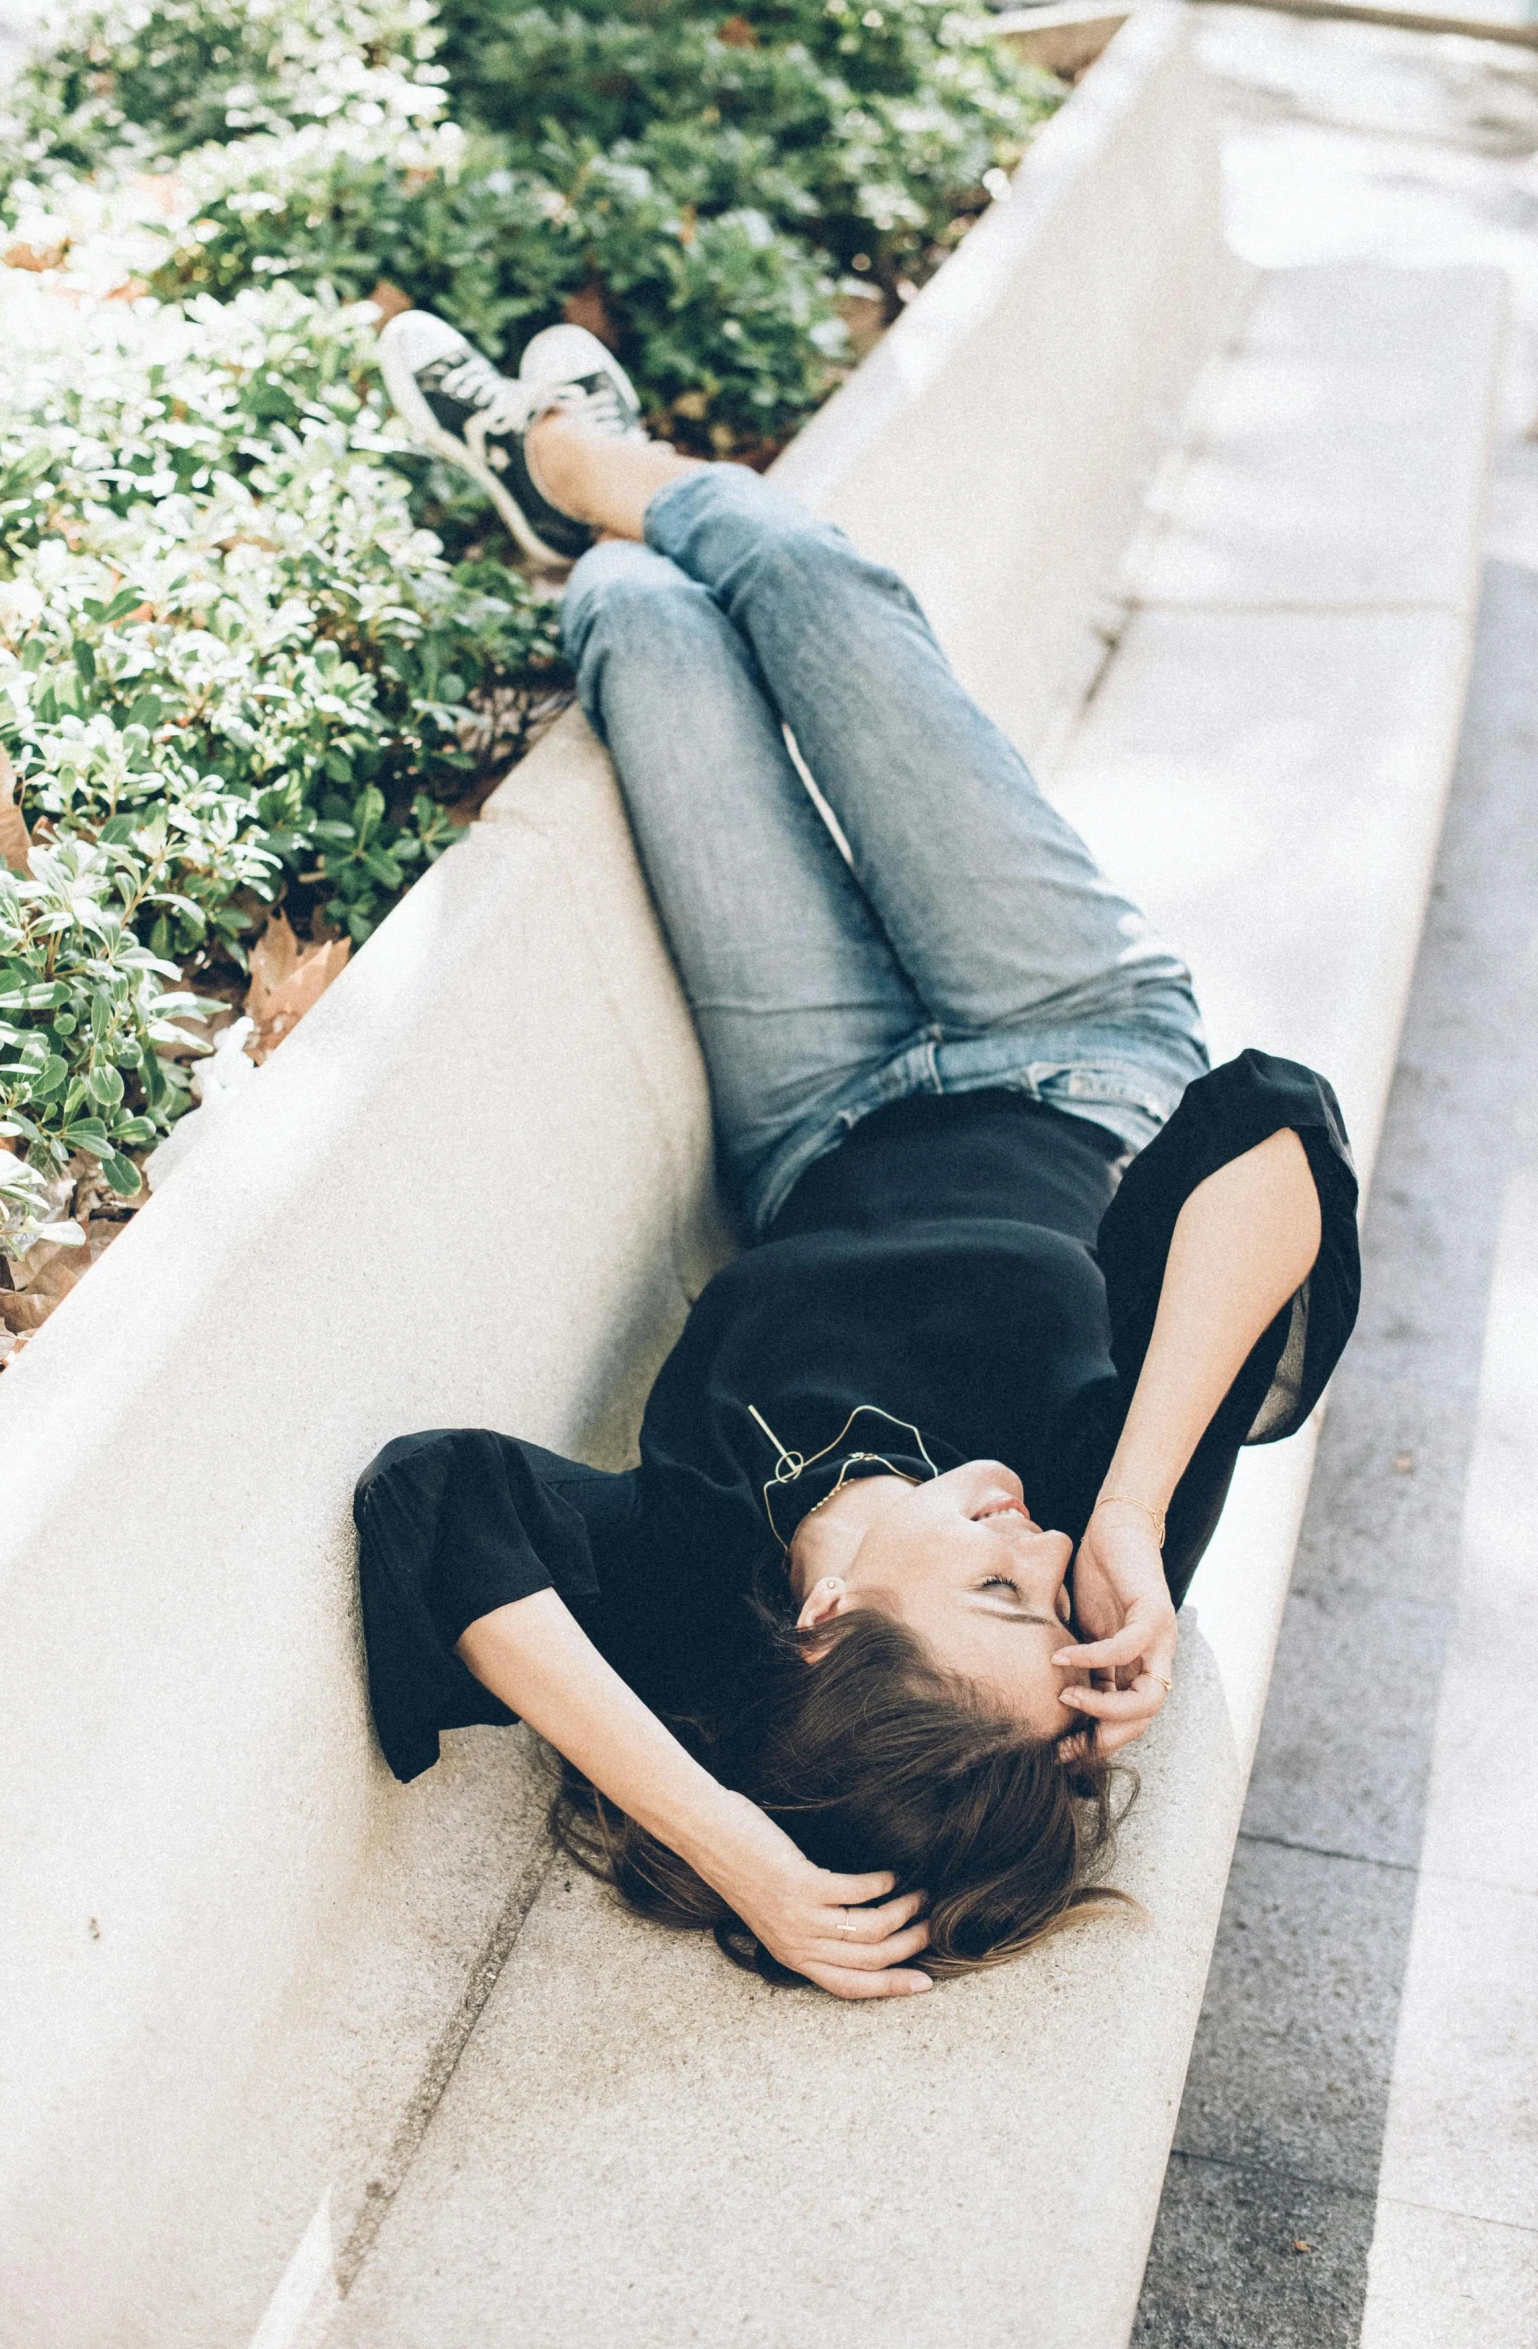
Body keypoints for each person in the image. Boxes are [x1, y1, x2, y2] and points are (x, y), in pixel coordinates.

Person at [356, 313, 1361, 2001]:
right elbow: (1276, 1127)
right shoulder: (1103, 1553)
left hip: (812, 1104)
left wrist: (720, 1835)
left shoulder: (705, 1591)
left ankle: (592, 521)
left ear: (826, 1628)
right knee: (816, 590)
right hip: (1079, 1036)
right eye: (1044, 1575)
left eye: (994, 1581)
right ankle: (583, 459)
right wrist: (1130, 1509)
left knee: (635, 617)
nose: (1032, 1542)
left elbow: (432, 1502)